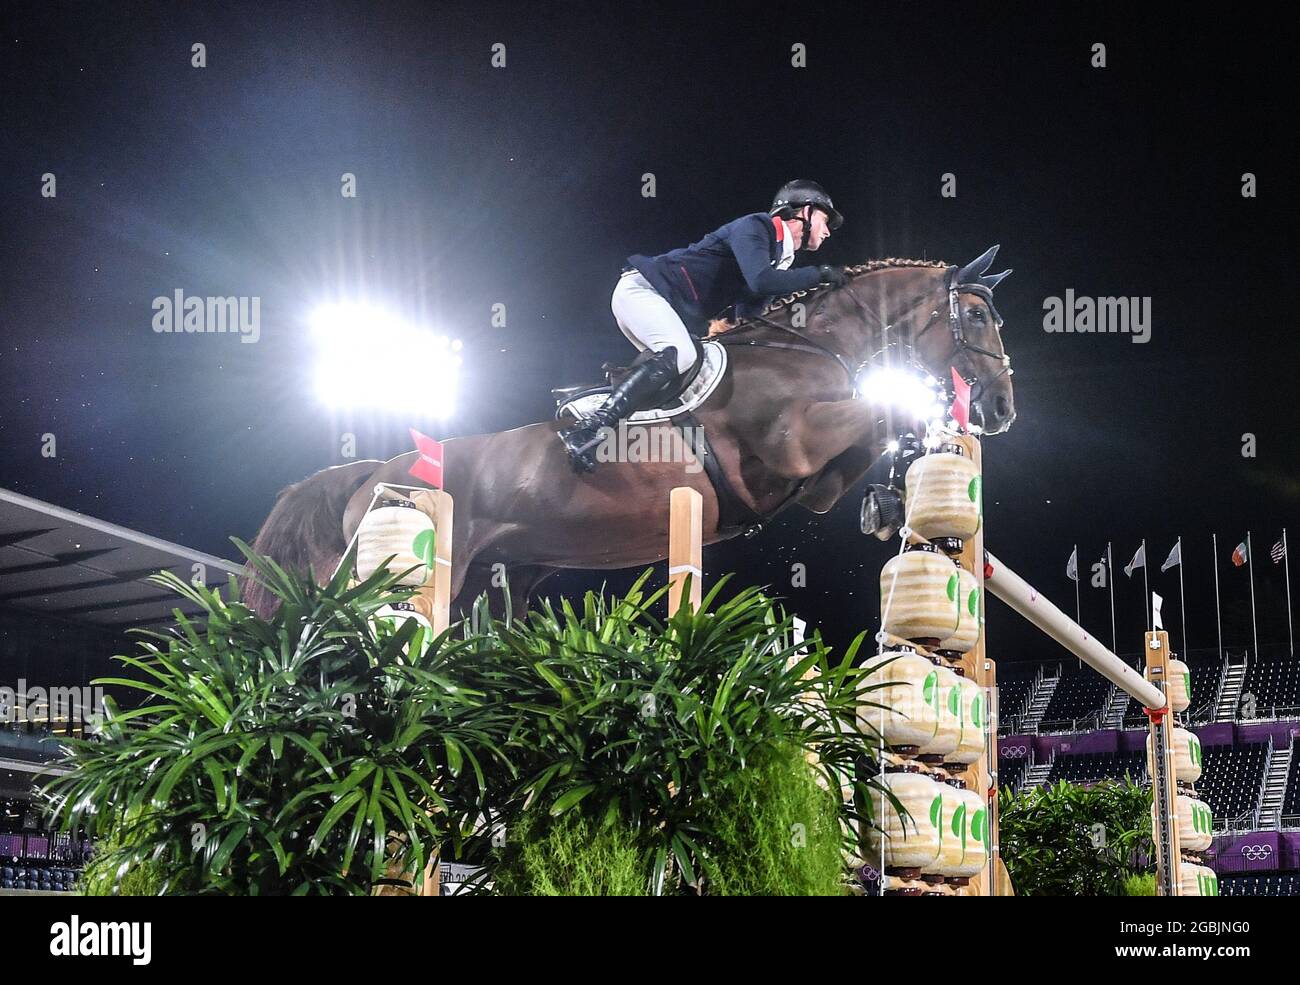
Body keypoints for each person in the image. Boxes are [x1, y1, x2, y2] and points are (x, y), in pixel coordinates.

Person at [558, 179, 847, 472]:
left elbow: (748, 314)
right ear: (805, 211)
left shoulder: (777, 259)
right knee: (681, 355)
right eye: (825, 220)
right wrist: (818, 275)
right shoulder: (756, 226)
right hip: (643, 292)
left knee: (685, 378)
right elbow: (761, 281)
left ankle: (610, 422)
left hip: (659, 303)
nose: (827, 231)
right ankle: (589, 429)